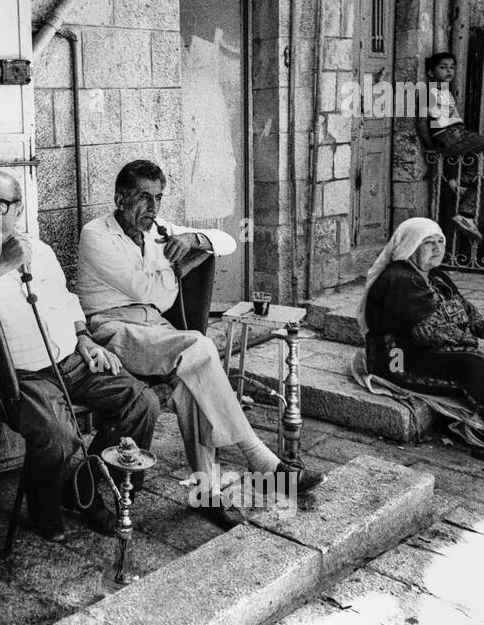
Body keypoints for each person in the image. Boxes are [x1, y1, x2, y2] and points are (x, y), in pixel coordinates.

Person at [77, 160, 323, 526]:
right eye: (143, 197)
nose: (153, 208)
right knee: (199, 347)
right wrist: (180, 269)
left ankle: (206, 492)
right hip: (112, 331)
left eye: (158, 198)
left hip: (155, 329)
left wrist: (194, 240)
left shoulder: (157, 230)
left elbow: (226, 241)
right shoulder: (96, 234)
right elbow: (150, 291)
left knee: (193, 385)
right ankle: (262, 462)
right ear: (120, 197)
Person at [0, 169, 161, 542]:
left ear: (17, 210)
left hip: (71, 360)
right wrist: (0, 263)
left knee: (142, 402)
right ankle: (47, 509)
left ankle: (85, 486)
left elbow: (67, 299)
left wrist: (85, 340)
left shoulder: (39, 249)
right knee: (57, 432)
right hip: (17, 375)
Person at [359, 217, 484, 454]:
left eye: (440, 241)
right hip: (399, 357)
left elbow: (468, 310)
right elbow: (430, 332)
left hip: (431, 345)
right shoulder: (398, 279)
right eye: (428, 242)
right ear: (409, 246)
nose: (437, 248)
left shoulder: (436, 274)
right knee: (476, 363)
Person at [425, 52, 484, 242]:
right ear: (430, 72)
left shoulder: (444, 91)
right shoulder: (427, 92)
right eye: (443, 67)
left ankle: (464, 191)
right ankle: (464, 193)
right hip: (450, 134)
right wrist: (433, 147)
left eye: (452, 67)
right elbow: (423, 123)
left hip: (456, 133)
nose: (449, 71)